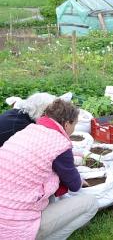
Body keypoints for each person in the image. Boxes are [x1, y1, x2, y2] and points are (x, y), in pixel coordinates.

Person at [0, 99, 98, 239]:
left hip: (5, 209)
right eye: (74, 124)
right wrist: (77, 177)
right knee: (91, 203)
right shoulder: (60, 144)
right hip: (15, 225)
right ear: (66, 124)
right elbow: (75, 185)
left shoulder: (30, 130)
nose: (74, 129)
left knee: (49, 181)